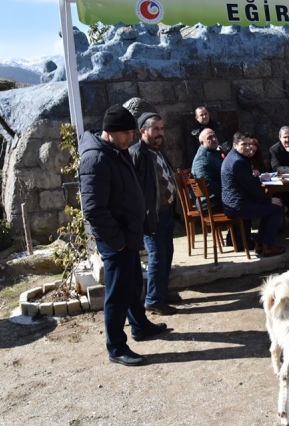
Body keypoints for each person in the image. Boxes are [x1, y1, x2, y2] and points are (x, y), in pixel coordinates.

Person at [79, 105, 168, 366]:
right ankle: (116, 347)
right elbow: (94, 209)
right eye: (127, 132)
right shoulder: (96, 159)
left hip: (127, 235)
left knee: (132, 285)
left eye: (132, 132)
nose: (132, 137)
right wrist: (117, 241)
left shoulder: (117, 151)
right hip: (115, 240)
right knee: (117, 294)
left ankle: (139, 325)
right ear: (110, 132)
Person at [129, 112, 181, 316]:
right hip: (152, 217)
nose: (160, 133)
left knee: (167, 253)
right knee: (157, 256)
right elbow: (134, 189)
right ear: (143, 131)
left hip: (166, 213)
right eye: (156, 129)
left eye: (162, 128)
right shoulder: (137, 153)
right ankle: (153, 300)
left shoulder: (157, 150)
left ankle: (161, 292)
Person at [221, 135, 285, 257]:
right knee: (276, 207)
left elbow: (248, 180)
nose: (247, 147)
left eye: (248, 144)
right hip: (238, 205)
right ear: (235, 145)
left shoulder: (233, 157)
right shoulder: (238, 161)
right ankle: (268, 246)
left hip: (232, 203)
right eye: (243, 144)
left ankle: (260, 244)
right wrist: (269, 199)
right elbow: (251, 187)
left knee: (270, 207)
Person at [192, 128, 223, 212]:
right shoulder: (201, 159)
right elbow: (206, 184)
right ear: (202, 143)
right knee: (241, 203)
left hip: (219, 199)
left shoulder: (214, 153)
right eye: (209, 138)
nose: (214, 139)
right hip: (210, 204)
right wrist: (228, 189)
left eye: (214, 136)